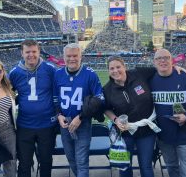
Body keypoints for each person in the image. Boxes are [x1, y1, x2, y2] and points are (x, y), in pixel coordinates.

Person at [150, 48, 186, 177]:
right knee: (171, 166)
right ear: (154, 62)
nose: (162, 60)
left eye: (166, 57)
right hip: (164, 135)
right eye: (159, 58)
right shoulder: (150, 80)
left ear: (172, 60)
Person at [54, 43, 104, 177]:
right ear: (63, 57)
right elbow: (55, 98)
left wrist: (81, 116)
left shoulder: (90, 74)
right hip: (64, 124)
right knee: (71, 158)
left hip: (83, 123)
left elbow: (99, 99)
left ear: (81, 56)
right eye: (69, 56)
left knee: (81, 160)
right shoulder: (58, 74)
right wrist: (59, 115)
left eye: (75, 55)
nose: (72, 59)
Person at [9, 39, 57, 177]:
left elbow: (61, 90)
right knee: (24, 163)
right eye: (27, 52)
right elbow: (6, 94)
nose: (31, 55)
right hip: (25, 125)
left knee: (46, 161)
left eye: (34, 51)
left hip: (47, 124)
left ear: (39, 52)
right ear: (21, 53)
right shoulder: (14, 73)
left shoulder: (50, 69)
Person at [103, 56, 157, 177]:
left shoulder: (139, 73)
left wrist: (178, 68)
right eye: (111, 68)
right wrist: (115, 120)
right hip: (123, 133)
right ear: (108, 71)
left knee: (146, 166)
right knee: (124, 167)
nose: (115, 71)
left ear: (124, 66)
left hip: (146, 131)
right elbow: (106, 109)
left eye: (118, 67)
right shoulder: (107, 89)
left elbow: (159, 69)